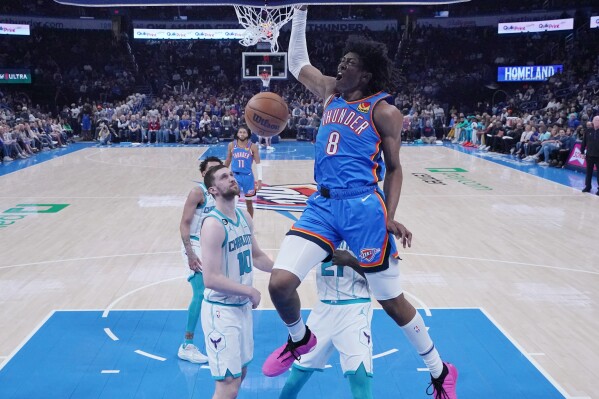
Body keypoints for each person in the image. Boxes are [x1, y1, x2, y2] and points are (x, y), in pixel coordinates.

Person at [263, 6, 458, 399]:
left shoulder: (385, 112)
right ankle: (299, 339)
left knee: (391, 301)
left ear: (365, 74)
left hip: (363, 207)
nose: (341, 64)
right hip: (322, 203)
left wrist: (390, 214)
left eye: (349, 62)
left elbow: (395, 168)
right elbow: (299, 61)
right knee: (281, 284)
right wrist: (300, 13)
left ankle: (440, 370)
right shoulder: (330, 91)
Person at [200, 164, 274, 399]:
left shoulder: (243, 216)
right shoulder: (213, 224)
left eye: (231, 175)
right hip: (221, 312)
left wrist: (286, 271)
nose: (231, 178)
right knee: (228, 385)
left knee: (240, 375)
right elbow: (210, 278)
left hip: (241, 309)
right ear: (213, 190)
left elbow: (258, 256)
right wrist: (249, 291)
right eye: (224, 177)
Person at [279, 243, 374, 399]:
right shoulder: (321, 229)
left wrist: (351, 261)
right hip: (322, 310)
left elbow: (381, 277)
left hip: (355, 309)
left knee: (360, 383)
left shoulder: (366, 232)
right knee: (293, 381)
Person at [177, 156, 223, 364]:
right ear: (203, 174)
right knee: (200, 291)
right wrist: (190, 253)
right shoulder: (198, 192)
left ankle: (216, 334)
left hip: (211, 244)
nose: (215, 173)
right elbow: (184, 224)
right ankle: (187, 344)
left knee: (216, 291)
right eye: (211, 169)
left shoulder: (221, 194)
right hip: (194, 243)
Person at [224, 127, 262, 218]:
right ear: (237, 134)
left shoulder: (253, 147)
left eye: (244, 132)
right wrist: (222, 173)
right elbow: (228, 159)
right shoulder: (231, 145)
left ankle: (249, 225)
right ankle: (232, 223)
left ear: (248, 134)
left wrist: (260, 180)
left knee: (249, 203)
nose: (242, 134)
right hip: (235, 177)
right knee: (233, 202)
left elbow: (258, 163)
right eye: (240, 132)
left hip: (248, 178)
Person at [581, 115, 599, 194]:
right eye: (595, 120)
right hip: (589, 155)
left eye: (598, 120)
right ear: (593, 121)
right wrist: (582, 152)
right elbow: (584, 142)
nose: (596, 122)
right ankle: (588, 186)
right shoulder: (588, 131)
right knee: (588, 172)